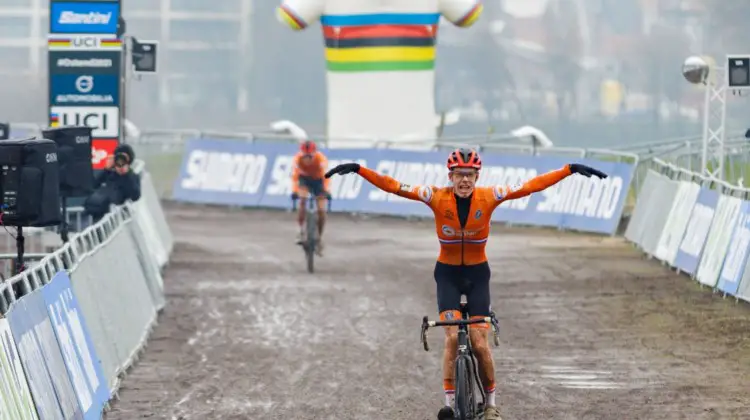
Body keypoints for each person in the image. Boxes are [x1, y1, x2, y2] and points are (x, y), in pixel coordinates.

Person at [325, 148, 607, 420]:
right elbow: (394, 186)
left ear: (477, 177)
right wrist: (360, 170)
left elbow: (530, 187)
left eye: (470, 175)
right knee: (450, 338)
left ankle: (492, 405)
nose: (464, 180)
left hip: (477, 276)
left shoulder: (490, 197)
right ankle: (448, 403)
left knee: (480, 342)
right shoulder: (434, 197)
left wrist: (568, 170)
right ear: (450, 176)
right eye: (459, 174)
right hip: (446, 275)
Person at [291, 140, 331, 255]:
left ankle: (319, 238)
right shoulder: (297, 159)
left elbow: (327, 177)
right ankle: (300, 231)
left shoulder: (321, 159)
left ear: (314, 154)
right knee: (302, 200)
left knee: (322, 211)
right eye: (305, 156)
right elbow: (294, 177)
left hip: (319, 181)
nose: (307, 159)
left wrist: (327, 191)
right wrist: (294, 191)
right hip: (304, 180)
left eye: (310, 157)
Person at [83, 143, 141, 222]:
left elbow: (136, 196)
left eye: (123, 159)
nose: (120, 161)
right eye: (118, 158)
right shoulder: (109, 174)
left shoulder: (132, 177)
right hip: (100, 214)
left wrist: (126, 174)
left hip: (118, 219)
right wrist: (106, 169)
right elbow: (93, 185)